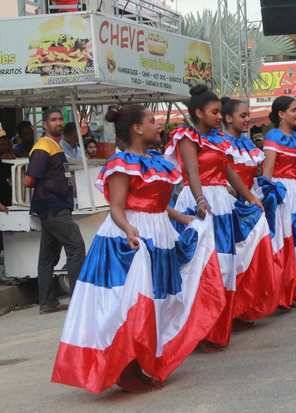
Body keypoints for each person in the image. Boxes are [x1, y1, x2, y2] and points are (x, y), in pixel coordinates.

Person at [51, 104, 226, 394]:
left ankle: (147, 359)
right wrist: (129, 230)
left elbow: (158, 202)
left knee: (160, 299)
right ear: (136, 128)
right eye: (151, 121)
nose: (158, 126)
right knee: (129, 304)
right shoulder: (122, 163)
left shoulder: (157, 162)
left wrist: (185, 218)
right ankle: (126, 366)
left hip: (160, 235)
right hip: (130, 238)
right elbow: (118, 207)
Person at [166, 86, 275, 349]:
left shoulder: (219, 139)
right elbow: (192, 171)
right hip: (198, 202)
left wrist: (250, 198)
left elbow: (229, 171)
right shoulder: (186, 136)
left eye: (219, 112)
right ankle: (198, 329)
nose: (218, 116)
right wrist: (200, 200)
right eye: (214, 112)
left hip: (222, 204)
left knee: (225, 264)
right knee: (199, 267)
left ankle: (220, 322)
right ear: (198, 112)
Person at [219, 96, 280, 321]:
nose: (247, 120)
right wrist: (230, 192)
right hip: (229, 205)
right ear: (227, 118)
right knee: (232, 259)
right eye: (242, 116)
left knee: (251, 255)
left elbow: (253, 174)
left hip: (248, 203)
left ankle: (244, 307)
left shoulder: (247, 144)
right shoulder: (221, 143)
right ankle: (230, 310)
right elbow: (219, 172)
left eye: (248, 115)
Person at [25, 108, 85, 315]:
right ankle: (78, 299)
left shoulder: (54, 146)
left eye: (60, 119)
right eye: (53, 119)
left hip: (54, 206)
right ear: (44, 124)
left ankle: (47, 302)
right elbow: (30, 179)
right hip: (53, 206)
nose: (58, 122)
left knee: (48, 256)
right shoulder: (43, 147)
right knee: (76, 247)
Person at [263, 96, 296, 308]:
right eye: (293, 110)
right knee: (287, 240)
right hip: (283, 193)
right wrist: (266, 194)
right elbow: (268, 169)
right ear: (281, 114)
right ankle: (283, 291)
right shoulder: (273, 136)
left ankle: (294, 287)